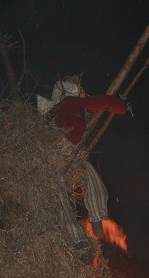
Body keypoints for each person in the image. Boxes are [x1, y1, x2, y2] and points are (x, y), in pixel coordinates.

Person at [37, 76, 128, 250]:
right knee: (70, 186)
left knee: (84, 179)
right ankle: (89, 226)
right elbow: (102, 102)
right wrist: (121, 106)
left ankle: (86, 230)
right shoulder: (71, 102)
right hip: (59, 151)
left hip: (67, 153)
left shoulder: (53, 111)